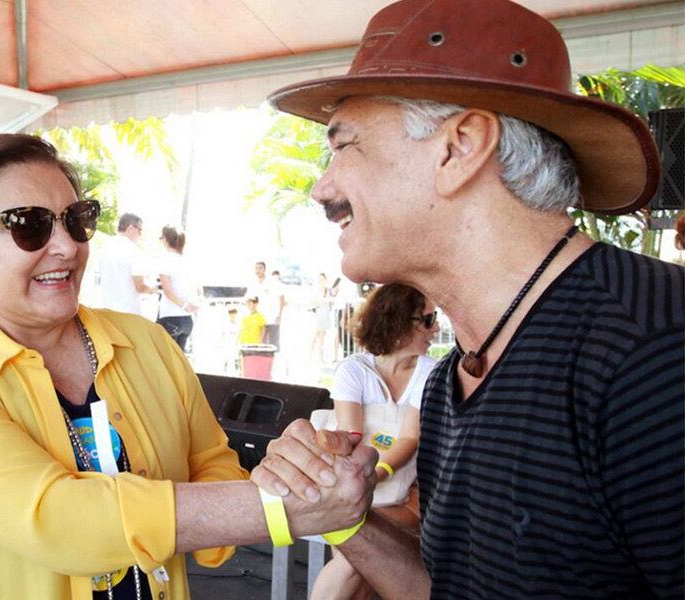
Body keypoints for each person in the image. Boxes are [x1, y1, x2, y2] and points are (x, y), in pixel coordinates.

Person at [251, 1, 684, 598]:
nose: (321, 188)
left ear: (460, 147)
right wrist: (345, 518)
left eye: (343, 146)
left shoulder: (655, 354)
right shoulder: (452, 377)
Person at [0, 133, 377, 600]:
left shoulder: (145, 342)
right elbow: (56, 519)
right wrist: (277, 507)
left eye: (75, 219)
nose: (68, 246)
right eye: (28, 225)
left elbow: (211, 463)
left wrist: (293, 473)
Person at [311, 283, 438, 600]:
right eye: (427, 320)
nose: (435, 328)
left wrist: (375, 475)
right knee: (360, 564)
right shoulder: (354, 370)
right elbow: (352, 434)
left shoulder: (430, 371)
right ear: (398, 322)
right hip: (363, 486)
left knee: (356, 550)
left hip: (406, 495)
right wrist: (335, 444)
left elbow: (410, 438)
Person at [98, 213, 156, 316]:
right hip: (128, 313)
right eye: (140, 230)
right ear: (130, 228)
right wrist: (155, 288)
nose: (140, 234)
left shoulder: (106, 247)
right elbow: (140, 287)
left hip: (107, 311)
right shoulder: (133, 251)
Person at [156, 225, 199, 351]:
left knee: (164, 362)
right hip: (187, 320)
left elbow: (168, 291)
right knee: (179, 363)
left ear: (166, 239)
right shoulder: (187, 261)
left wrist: (185, 305)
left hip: (170, 317)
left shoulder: (165, 259)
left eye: (161, 237)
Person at [246, 261, 285, 350]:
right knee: (260, 345)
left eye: (260, 268)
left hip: (273, 319)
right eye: (256, 268)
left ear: (264, 270)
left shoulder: (273, 282)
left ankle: (275, 363)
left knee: (274, 345)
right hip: (259, 320)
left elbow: (282, 299)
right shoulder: (252, 284)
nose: (258, 270)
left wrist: (279, 315)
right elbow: (249, 300)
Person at [310, 272, 336, 364]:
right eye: (320, 278)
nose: (321, 280)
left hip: (325, 315)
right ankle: (310, 356)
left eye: (323, 278)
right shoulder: (315, 290)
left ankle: (320, 358)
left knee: (322, 337)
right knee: (315, 337)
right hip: (318, 315)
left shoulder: (328, 290)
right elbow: (313, 303)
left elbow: (333, 299)